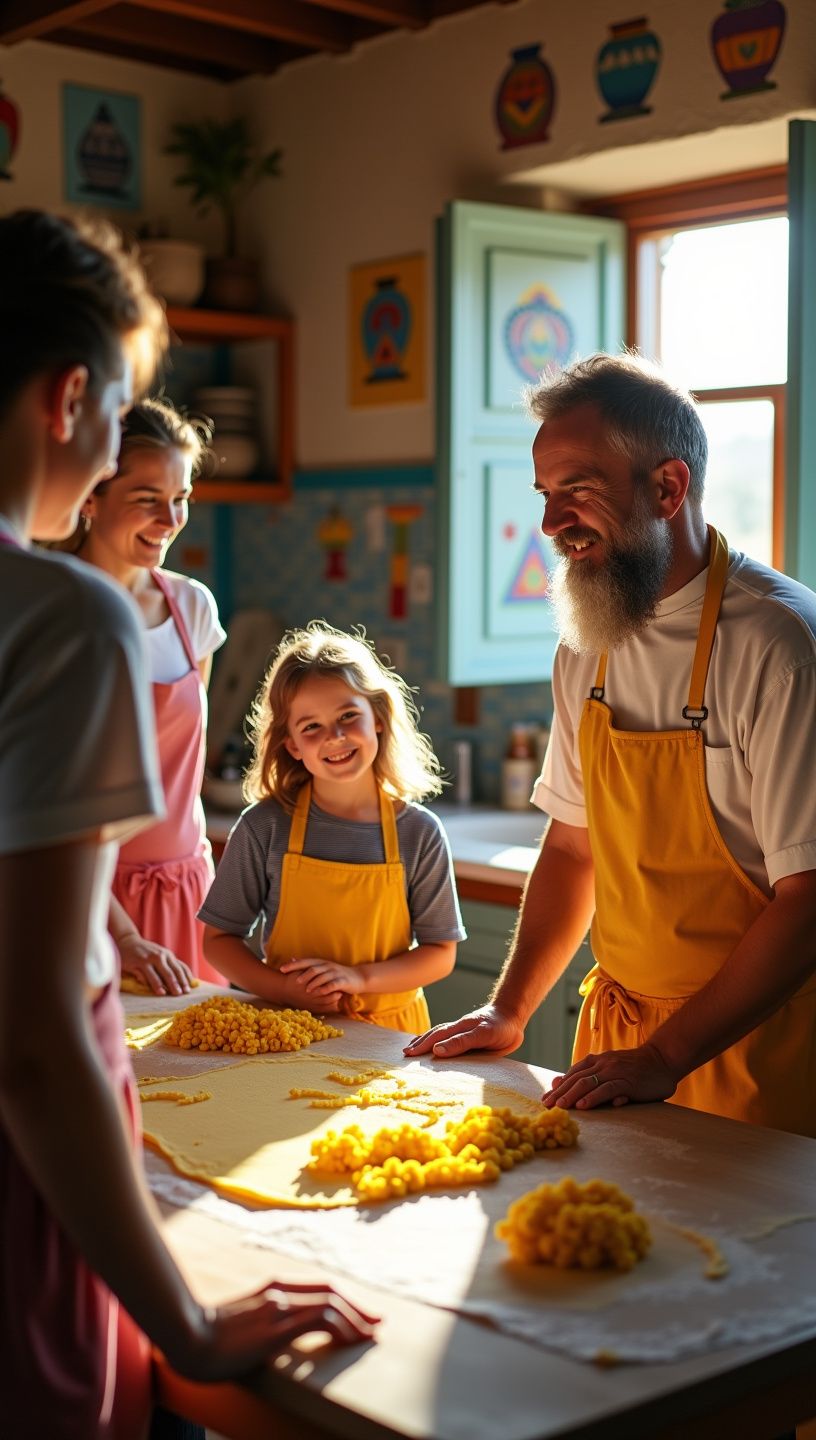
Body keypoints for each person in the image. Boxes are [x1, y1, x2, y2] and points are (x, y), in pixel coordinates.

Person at [0, 210, 376, 1440]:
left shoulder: (148, 610)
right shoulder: (61, 618)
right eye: (117, 418)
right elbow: (36, 1033)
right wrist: (188, 1322)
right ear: (69, 400)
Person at [406, 352, 816, 1139]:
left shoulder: (779, 643)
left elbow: (809, 900)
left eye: (579, 492)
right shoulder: (588, 643)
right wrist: (510, 1006)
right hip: (621, 1047)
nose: (552, 524)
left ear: (668, 488)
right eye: (546, 496)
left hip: (757, 1050)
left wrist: (669, 1054)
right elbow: (572, 849)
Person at [200, 622, 464, 1031]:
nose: (335, 737)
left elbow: (440, 953)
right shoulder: (263, 827)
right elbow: (218, 943)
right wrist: (283, 990)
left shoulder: (420, 833)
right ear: (292, 745)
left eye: (347, 716)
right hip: (289, 1026)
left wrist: (359, 979)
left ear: (378, 717)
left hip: (391, 1037)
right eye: (311, 727)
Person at [74, 397, 226, 993]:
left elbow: (189, 763)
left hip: (189, 888)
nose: (169, 520)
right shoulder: (56, 618)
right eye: (147, 499)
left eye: (181, 498)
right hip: (88, 891)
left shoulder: (193, 607)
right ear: (90, 495)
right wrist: (125, 936)